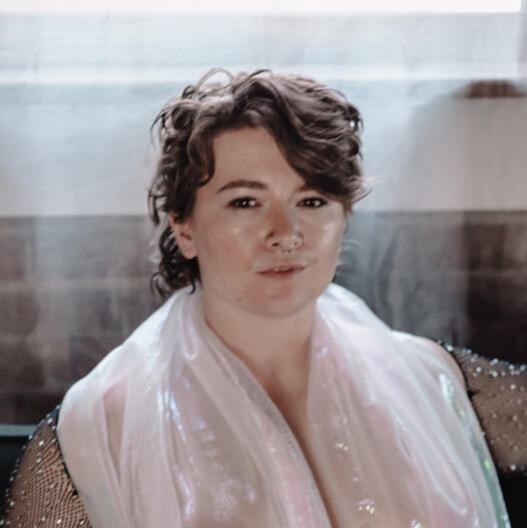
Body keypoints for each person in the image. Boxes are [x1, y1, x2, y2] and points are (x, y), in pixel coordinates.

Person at [2, 68, 524, 527]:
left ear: (344, 218)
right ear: (183, 227)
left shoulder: (433, 380)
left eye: (312, 200)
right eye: (245, 202)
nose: (286, 234)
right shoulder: (96, 432)